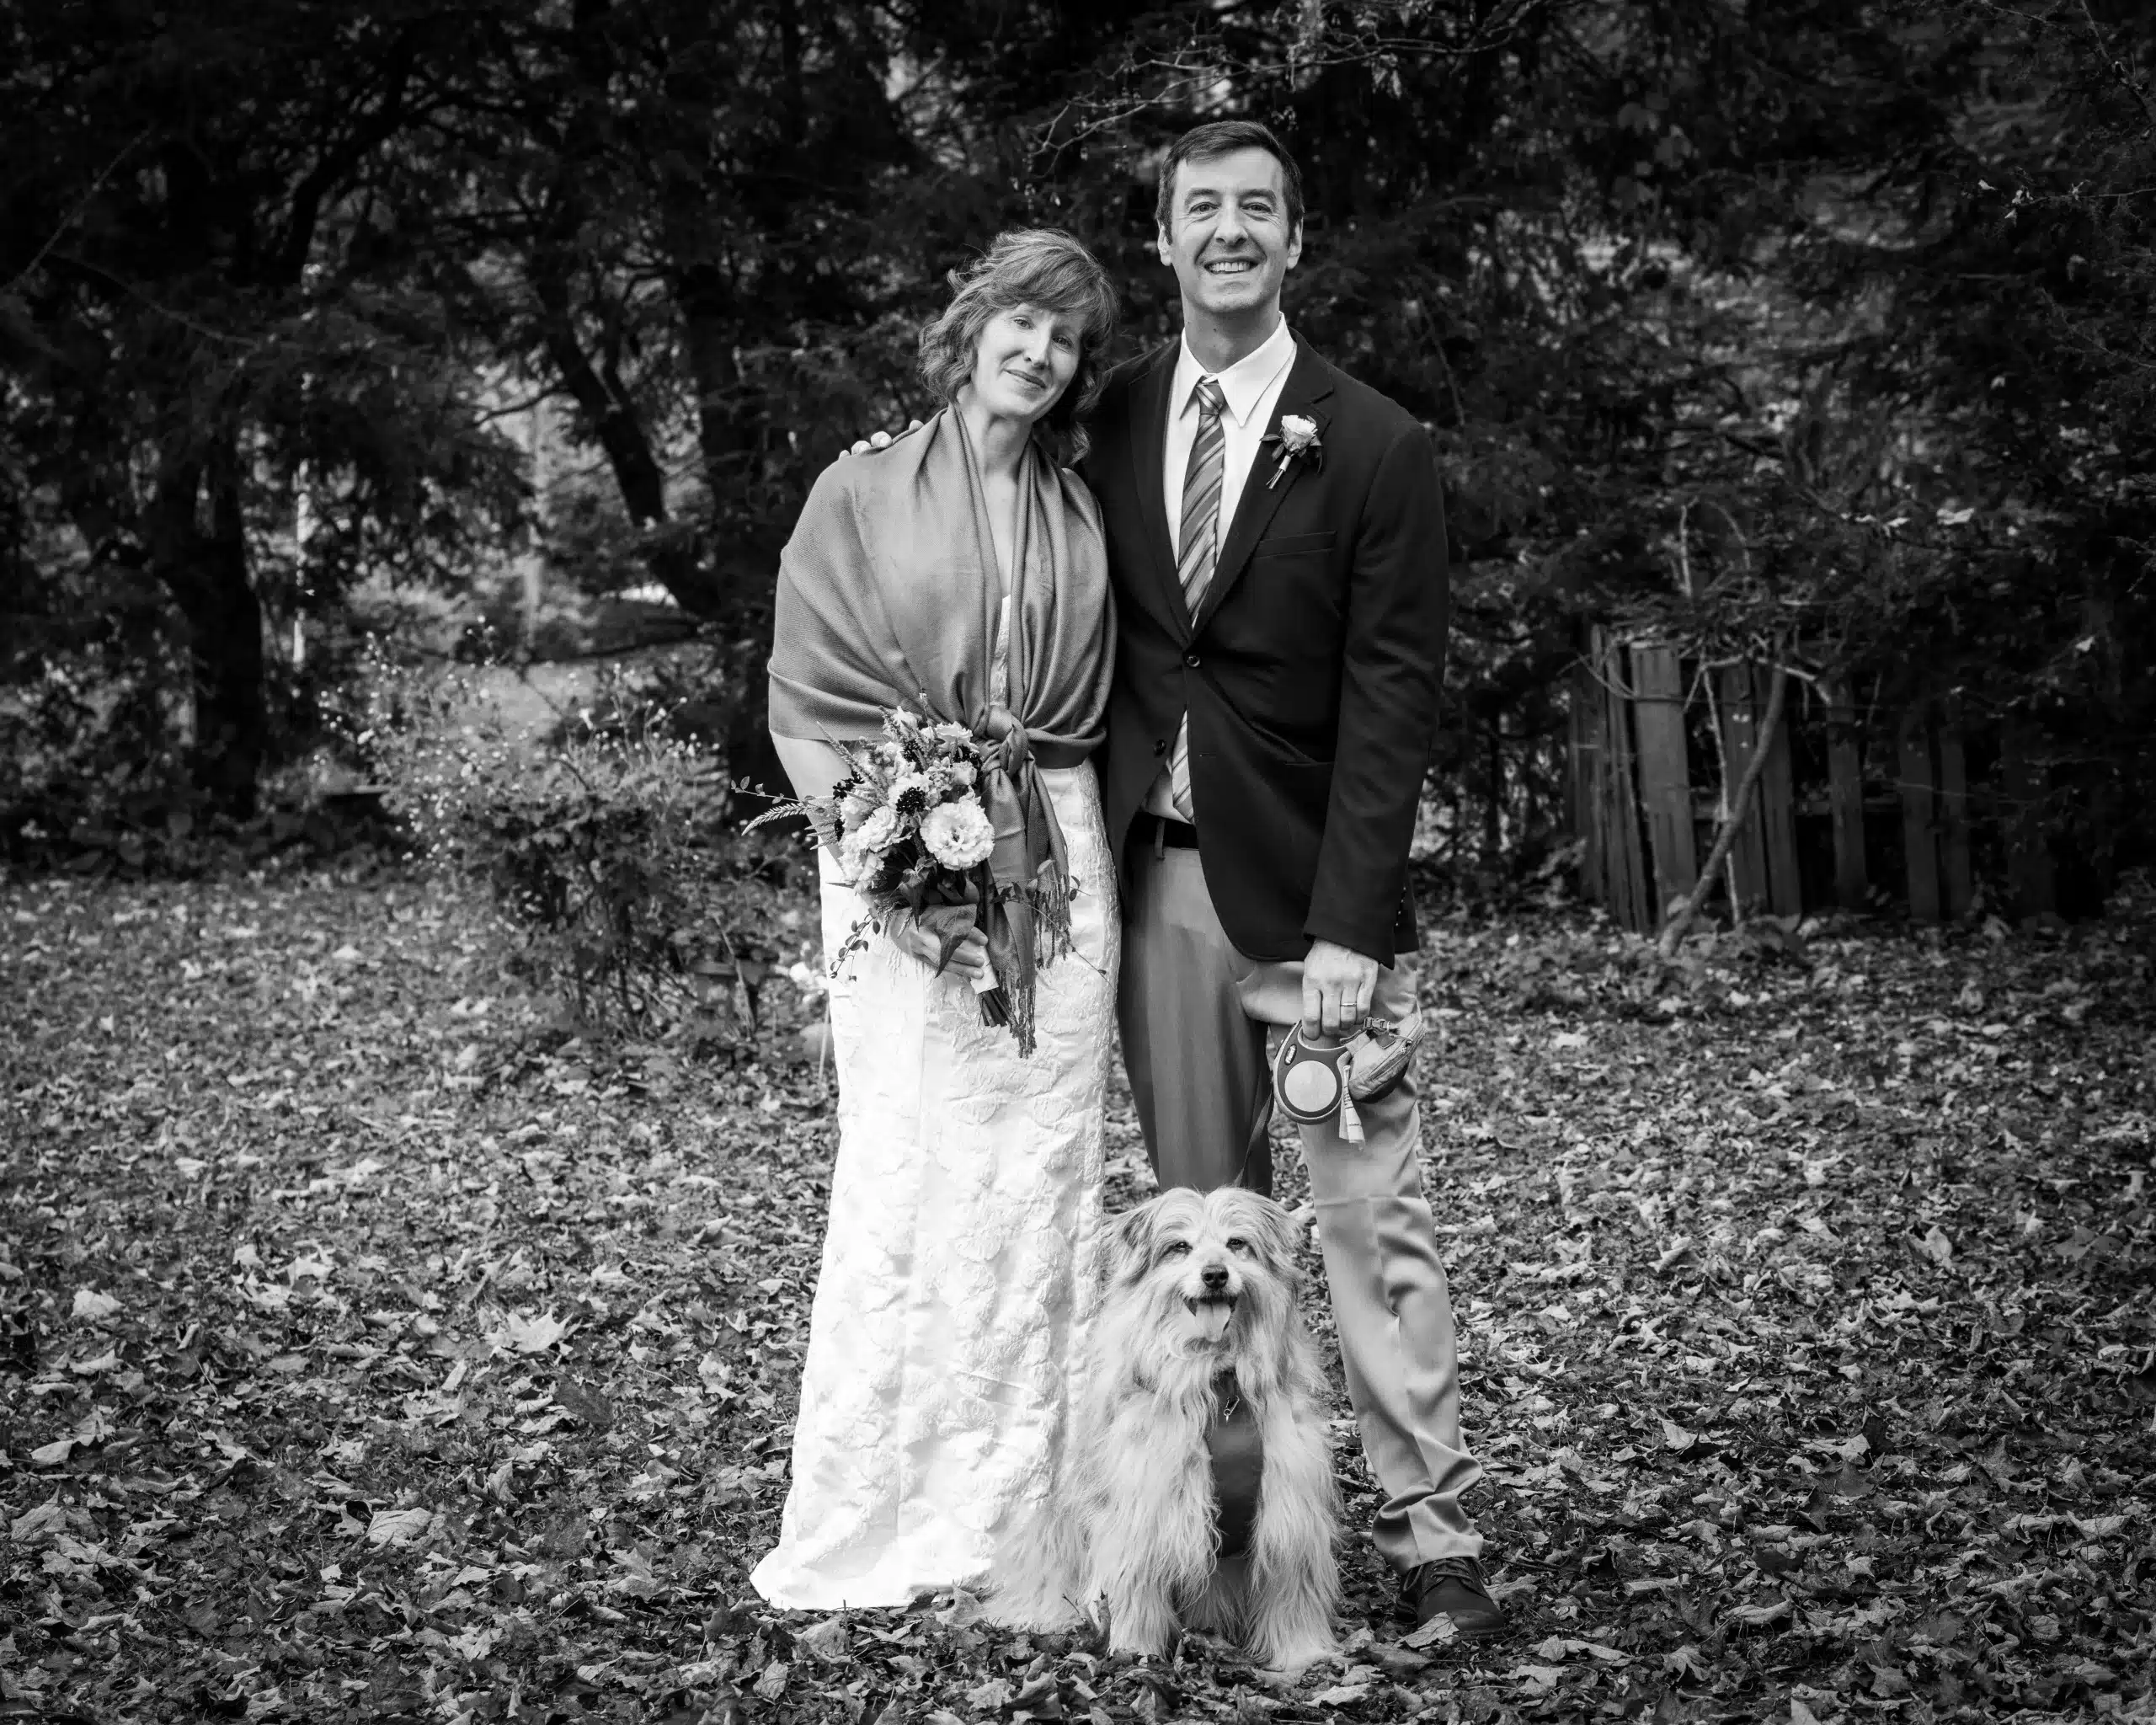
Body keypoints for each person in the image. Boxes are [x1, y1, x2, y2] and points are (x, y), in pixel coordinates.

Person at [1086, 120, 1506, 1638]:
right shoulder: (1110, 416)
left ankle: (1431, 1529)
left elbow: (1395, 698)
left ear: (1296, 237)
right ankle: (1230, 1537)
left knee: (1369, 1224)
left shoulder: (1375, 442)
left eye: (1257, 207)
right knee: (1210, 1246)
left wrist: (1353, 926)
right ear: (1163, 238)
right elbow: (990, 476)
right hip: (1160, 890)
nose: (1230, 231)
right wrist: (896, 463)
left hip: (1316, 913)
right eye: (1201, 207)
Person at [750, 229, 1121, 1610]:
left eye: (1066, 337)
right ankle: (887, 1513)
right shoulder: (857, 490)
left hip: (1061, 860)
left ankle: (1030, 1516)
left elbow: (1095, 708)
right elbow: (806, 697)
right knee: (913, 1170)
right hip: (897, 849)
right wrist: (894, 868)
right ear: (968, 330)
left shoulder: (1083, 509)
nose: (1040, 351)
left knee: (1039, 1180)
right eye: (1021, 321)